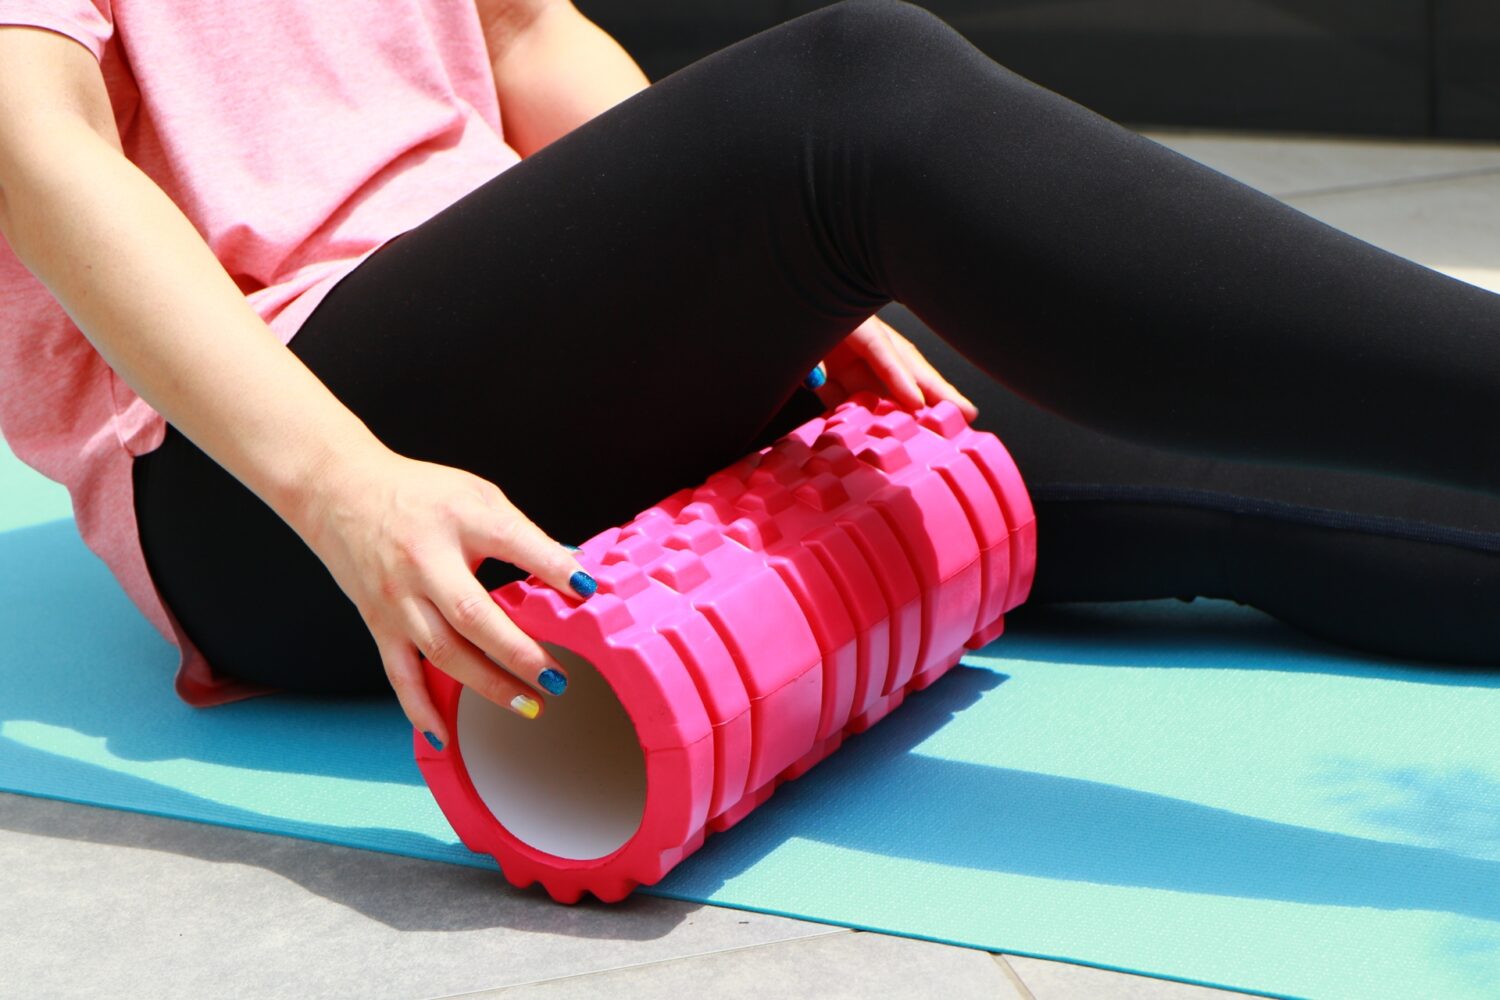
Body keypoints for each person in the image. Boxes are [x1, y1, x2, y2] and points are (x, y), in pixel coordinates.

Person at [3, 0, 1498, 752]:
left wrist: (754, 286)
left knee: (1229, 483)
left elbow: (525, 30)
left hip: (536, 352)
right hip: (265, 481)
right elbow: (34, 142)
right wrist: (344, 486)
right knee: (853, 99)